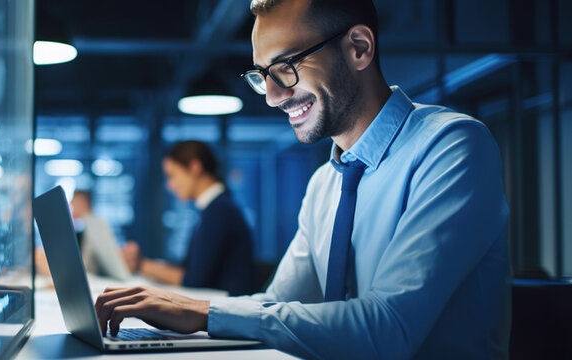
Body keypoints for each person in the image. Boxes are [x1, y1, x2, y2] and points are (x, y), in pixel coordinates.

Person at [94, 0, 510, 358]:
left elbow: (388, 331)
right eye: (262, 74)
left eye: (286, 66)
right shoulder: (325, 183)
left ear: (359, 48)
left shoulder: (452, 146)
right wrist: (184, 310)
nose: (272, 95)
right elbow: (278, 306)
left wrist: (204, 312)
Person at [134, 141, 255, 296]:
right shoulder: (215, 207)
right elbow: (191, 267)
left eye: (172, 176)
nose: (170, 186)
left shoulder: (219, 211)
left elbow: (194, 279)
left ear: (195, 168)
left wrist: (141, 265)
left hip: (226, 308)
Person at [70, 190, 132, 280]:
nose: (71, 208)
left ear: (82, 202)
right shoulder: (83, 228)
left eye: (73, 203)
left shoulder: (96, 225)